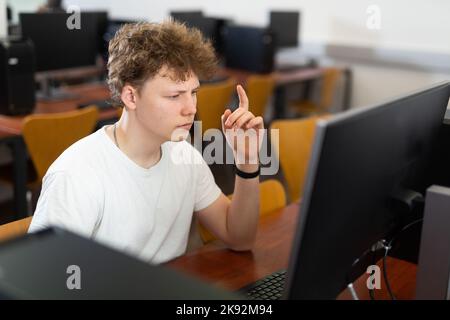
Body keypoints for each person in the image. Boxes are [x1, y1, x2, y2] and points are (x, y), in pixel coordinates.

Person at [28, 20, 264, 264]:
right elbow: (44, 279)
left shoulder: (184, 155)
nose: (191, 108)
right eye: (174, 96)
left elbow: (240, 238)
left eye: (193, 93)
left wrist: (247, 162)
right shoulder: (76, 175)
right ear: (131, 96)